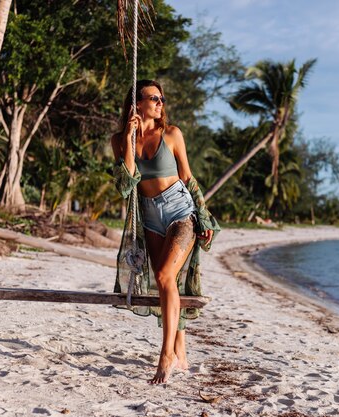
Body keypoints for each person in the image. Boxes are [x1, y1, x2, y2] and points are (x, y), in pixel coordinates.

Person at [111, 80, 220, 384]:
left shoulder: (172, 135)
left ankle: (166, 353)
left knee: (164, 277)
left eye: (161, 99)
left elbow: (187, 176)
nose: (160, 103)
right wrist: (131, 137)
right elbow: (126, 184)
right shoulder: (120, 139)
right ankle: (181, 350)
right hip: (149, 216)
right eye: (154, 98)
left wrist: (204, 215)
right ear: (137, 103)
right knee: (166, 284)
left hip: (179, 211)